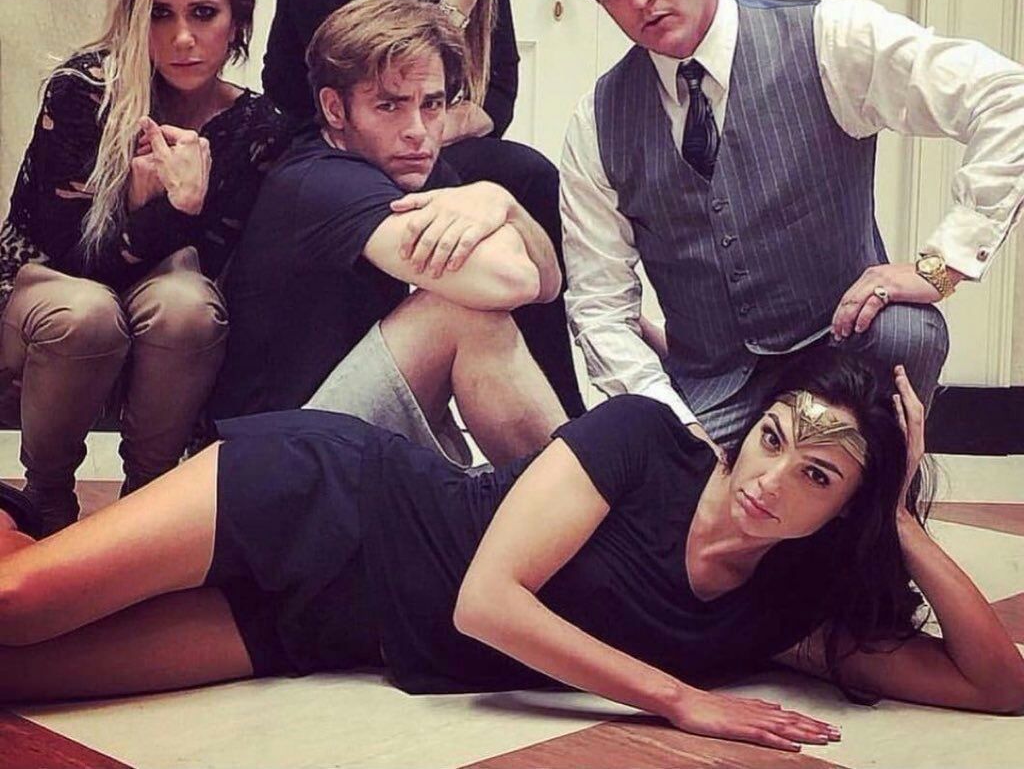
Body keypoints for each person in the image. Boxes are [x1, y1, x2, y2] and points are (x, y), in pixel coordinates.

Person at [0, 352, 1020, 753]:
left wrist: (899, 519)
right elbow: (486, 601)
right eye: (773, 436)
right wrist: (677, 699)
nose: (772, 475)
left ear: (842, 513)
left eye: (818, 477)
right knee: (11, 605)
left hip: (315, 632)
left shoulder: (789, 606)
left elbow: (997, 687)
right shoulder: (640, 440)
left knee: (15, 667)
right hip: (325, 501)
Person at [550, 0, 1024, 444]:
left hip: (846, 351)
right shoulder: (598, 120)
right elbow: (599, 307)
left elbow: (1008, 100)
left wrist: (943, 266)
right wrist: (672, 424)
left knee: (908, 332)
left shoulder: (830, 39)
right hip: (711, 389)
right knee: (649, 480)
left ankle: (886, 491)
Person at [261, 0, 584, 417]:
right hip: (324, 149)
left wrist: (427, 121)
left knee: (526, 174)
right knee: (481, 211)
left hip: (399, 141)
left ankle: (562, 408)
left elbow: (496, 98)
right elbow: (364, 89)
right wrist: (457, 0)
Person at [0, 0, 293, 534]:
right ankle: (47, 499)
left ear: (237, 19)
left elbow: (220, 271)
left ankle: (148, 501)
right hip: (47, 289)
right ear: (134, 18)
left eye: (203, 13)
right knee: (87, 313)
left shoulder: (256, 128)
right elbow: (68, 254)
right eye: (160, 14)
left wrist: (177, 211)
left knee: (187, 305)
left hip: (163, 302)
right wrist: (154, 209)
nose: (182, 37)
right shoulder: (83, 92)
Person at [209, 0, 565, 469]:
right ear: (335, 109)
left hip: (339, 439)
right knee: (461, 314)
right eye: (389, 106)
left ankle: (571, 497)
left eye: (432, 104)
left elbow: (548, 285)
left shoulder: (410, 167)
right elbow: (514, 280)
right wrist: (492, 201)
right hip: (278, 462)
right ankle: (579, 499)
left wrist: (507, 207)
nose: (417, 129)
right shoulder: (323, 182)